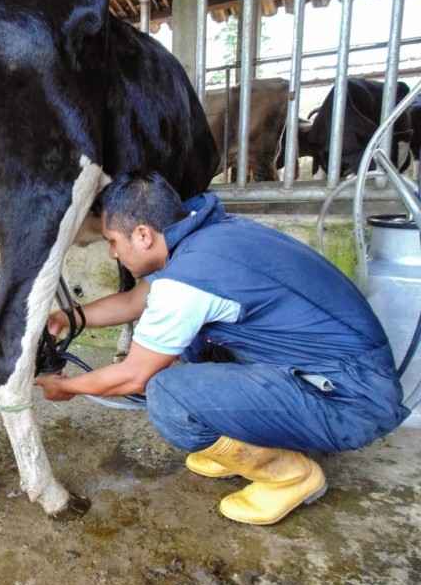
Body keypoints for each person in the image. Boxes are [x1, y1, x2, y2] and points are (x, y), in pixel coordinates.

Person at [34, 171, 409, 525]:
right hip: (339, 372)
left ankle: (288, 475)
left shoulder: (186, 282)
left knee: (169, 396)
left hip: (351, 399)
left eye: (114, 242)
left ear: (144, 235)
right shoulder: (202, 239)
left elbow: (133, 376)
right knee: (198, 346)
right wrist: (68, 317)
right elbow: (136, 302)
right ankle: (246, 440)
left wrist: (66, 388)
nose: (113, 254)